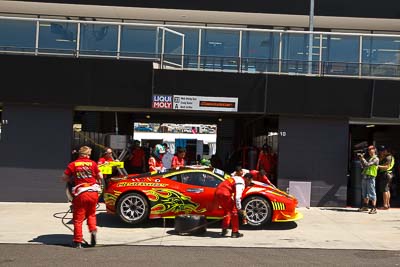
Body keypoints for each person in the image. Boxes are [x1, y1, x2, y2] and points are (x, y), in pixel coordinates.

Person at [61, 146, 103, 248]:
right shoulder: (93, 163)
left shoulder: (73, 164)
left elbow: (64, 178)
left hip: (81, 193)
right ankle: (93, 230)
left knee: (78, 219)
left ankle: (77, 241)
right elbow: (100, 176)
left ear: (79, 154)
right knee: (91, 215)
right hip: (93, 192)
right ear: (88, 155)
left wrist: (72, 179)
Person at [214, 173, 253, 238]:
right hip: (225, 193)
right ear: (247, 179)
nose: (249, 183)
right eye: (250, 181)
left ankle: (224, 229)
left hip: (217, 192)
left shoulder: (237, 178)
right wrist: (239, 209)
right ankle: (235, 232)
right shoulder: (241, 183)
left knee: (227, 211)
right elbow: (237, 197)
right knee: (234, 212)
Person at [358, 145, 379, 214]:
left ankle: (374, 208)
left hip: (371, 177)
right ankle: (365, 206)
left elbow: (367, 165)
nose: (369, 151)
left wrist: (362, 158)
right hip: (365, 177)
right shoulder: (369, 158)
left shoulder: (376, 158)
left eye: (371, 149)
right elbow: (364, 166)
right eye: (369, 149)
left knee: (372, 193)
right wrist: (361, 159)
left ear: (374, 150)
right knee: (365, 193)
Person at [377, 145, 395, 210]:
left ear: (386, 151)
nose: (381, 152)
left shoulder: (388, 158)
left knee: (385, 190)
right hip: (390, 174)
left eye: (383, 151)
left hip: (385, 174)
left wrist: (377, 166)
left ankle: (385, 205)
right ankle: (387, 204)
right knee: (387, 190)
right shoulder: (391, 157)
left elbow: (386, 167)